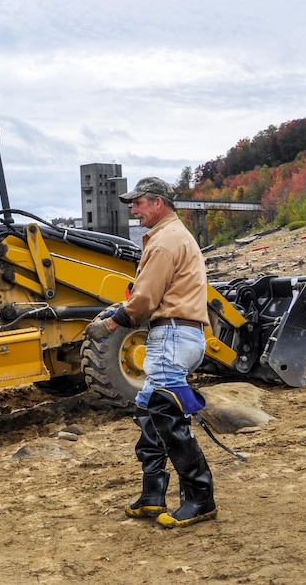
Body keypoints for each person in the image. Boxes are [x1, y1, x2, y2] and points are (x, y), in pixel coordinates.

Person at [84, 176, 217, 528]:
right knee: (148, 409)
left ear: (158, 202)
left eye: (138, 203)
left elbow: (144, 300)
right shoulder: (170, 236)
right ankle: (153, 495)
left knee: (169, 420)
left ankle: (200, 499)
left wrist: (112, 323)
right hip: (178, 335)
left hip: (171, 336)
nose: (133, 209)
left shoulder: (164, 243)